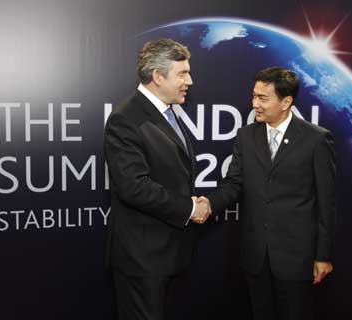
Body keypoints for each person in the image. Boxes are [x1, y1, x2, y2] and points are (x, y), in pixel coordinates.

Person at [200, 67, 336, 320]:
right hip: (256, 257)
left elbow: (326, 204)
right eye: (253, 96)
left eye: (263, 98)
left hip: (297, 258)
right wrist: (208, 203)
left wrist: (323, 256)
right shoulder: (245, 136)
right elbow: (233, 183)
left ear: (286, 102)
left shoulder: (317, 140)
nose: (254, 104)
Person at [104, 38, 210, 320]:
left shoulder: (168, 112)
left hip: (169, 256)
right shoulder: (126, 119)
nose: (190, 81)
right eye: (182, 74)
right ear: (157, 76)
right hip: (143, 260)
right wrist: (190, 208)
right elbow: (134, 187)